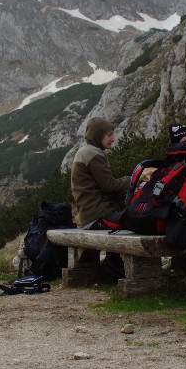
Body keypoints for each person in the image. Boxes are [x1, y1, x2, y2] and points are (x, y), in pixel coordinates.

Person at [71, 117, 130, 275]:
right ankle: (114, 265)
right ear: (98, 135)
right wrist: (133, 180)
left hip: (91, 213)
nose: (113, 138)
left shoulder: (88, 151)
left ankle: (113, 263)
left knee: (128, 214)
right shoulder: (93, 154)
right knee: (135, 221)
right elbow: (109, 186)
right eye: (109, 135)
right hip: (97, 215)